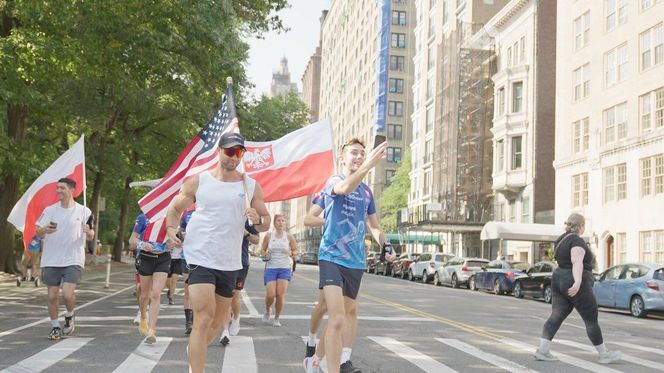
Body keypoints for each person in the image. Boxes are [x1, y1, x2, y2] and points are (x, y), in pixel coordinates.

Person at [165, 132, 270, 373]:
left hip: (230, 261)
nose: (234, 156)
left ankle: (196, 348)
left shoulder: (250, 185)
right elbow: (174, 208)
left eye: (239, 152)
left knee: (216, 323)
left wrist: (257, 220)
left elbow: (266, 222)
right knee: (202, 318)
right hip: (200, 256)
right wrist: (171, 228)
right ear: (220, 151)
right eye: (230, 151)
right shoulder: (198, 181)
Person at [303, 138, 395, 373]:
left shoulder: (367, 192)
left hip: (356, 261)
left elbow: (374, 225)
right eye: (353, 153)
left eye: (362, 154)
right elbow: (344, 189)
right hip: (332, 257)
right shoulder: (334, 180)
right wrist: (369, 166)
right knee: (336, 317)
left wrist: (386, 244)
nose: (358, 157)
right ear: (342, 158)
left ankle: (317, 360)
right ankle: (334, 367)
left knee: (347, 313)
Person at [535, 213, 621, 364]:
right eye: (583, 225)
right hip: (573, 280)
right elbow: (577, 262)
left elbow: (564, 261)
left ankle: (542, 350)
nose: (584, 228)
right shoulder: (576, 240)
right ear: (581, 226)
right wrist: (577, 282)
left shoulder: (561, 239)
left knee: (556, 316)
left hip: (558, 278)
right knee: (591, 319)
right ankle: (604, 355)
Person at [35, 177, 94, 340]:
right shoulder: (50, 210)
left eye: (62, 188)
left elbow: (91, 236)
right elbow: (37, 231)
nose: (58, 191)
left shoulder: (84, 211)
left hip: (73, 258)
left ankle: (69, 314)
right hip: (51, 258)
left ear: (71, 190)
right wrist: (44, 229)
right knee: (52, 296)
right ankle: (55, 326)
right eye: (57, 188)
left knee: (68, 294)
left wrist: (88, 231)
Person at [129, 213, 171, 344]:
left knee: (156, 294)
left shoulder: (170, 217)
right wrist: (142, 244)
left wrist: (173, 242)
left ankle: (152, 330)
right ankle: (143, 316)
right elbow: (132, 241)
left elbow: (176, 236)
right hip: (146, 258)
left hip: (163, 259)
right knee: (144, 293)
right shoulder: (143, 218)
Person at [261, 214, 298, 327]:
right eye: (278, 221)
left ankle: (277, 318)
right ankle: (268, 310)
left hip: (284, 268)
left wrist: (291, 253)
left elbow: (295, 250)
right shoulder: (269, 236)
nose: (281, 223)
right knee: (271, 294)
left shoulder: (289, 236)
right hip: (271, 267)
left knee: (280, 295)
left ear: (285, 223)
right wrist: (265, 253)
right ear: (274, 223)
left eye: (283, 221)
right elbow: (262, 249)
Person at [227, 221, 259, 337]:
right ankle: (225, 330)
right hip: (222, 261)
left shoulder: (248, 220)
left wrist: (246, 233)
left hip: (241, 262)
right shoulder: (222, 213)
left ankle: (236, 319)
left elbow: (256, 240)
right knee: (224, 295)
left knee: (234, 294)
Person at [179, 210, 194, 335]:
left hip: (206, 259)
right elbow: (180, 232)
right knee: (188, 291)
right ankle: (189, 323)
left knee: (203, 292)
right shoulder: (187, 214)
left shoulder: (212, 211)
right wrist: (181, 235)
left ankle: (197, 320)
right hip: (187, 257)